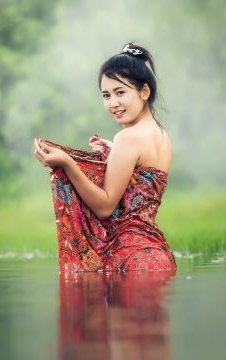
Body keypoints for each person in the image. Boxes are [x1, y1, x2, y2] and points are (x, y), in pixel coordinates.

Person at [33, 42, 177, 273]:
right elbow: (141, 183)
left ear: (144, 91)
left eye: (121, 93)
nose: (113, 103)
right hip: (159, 256)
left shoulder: (127, 138)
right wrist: (113, 152)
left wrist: (67, 163)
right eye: (106, 95)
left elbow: (105, 207)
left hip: (131, 256)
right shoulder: (162, 136)